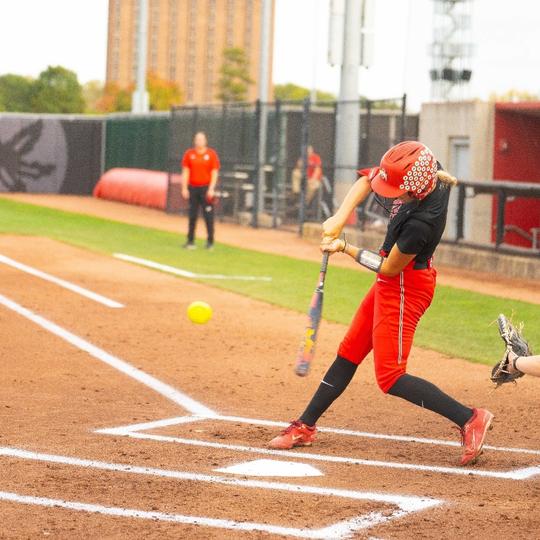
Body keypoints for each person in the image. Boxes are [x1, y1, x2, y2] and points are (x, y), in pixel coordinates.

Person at [269, 141, 494, 466]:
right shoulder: (424, 168)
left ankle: (470, 418)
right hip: (392, 283)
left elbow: (390, 267)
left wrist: (344, 247)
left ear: (416, 192)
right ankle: (305, 426)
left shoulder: (422, 223)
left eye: (396, 191)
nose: (389, 194)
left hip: (406, 285)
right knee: (350, 350)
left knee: (390, 376)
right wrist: (339, 217)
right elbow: (366, 179)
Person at [181, 132, 220, 250]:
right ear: (194, 141)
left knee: (208, 215)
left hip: (206, 188)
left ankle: (210, 241)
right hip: (193, 188)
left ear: (205, 141)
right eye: (197, 139)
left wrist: (211, 188)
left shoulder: (211, 154)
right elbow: (186, 171)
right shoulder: (189, 154)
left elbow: (214, 172)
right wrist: (184, 188)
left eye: (201, 139)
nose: (199, 142)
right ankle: (190, 240)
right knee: (192, 215)